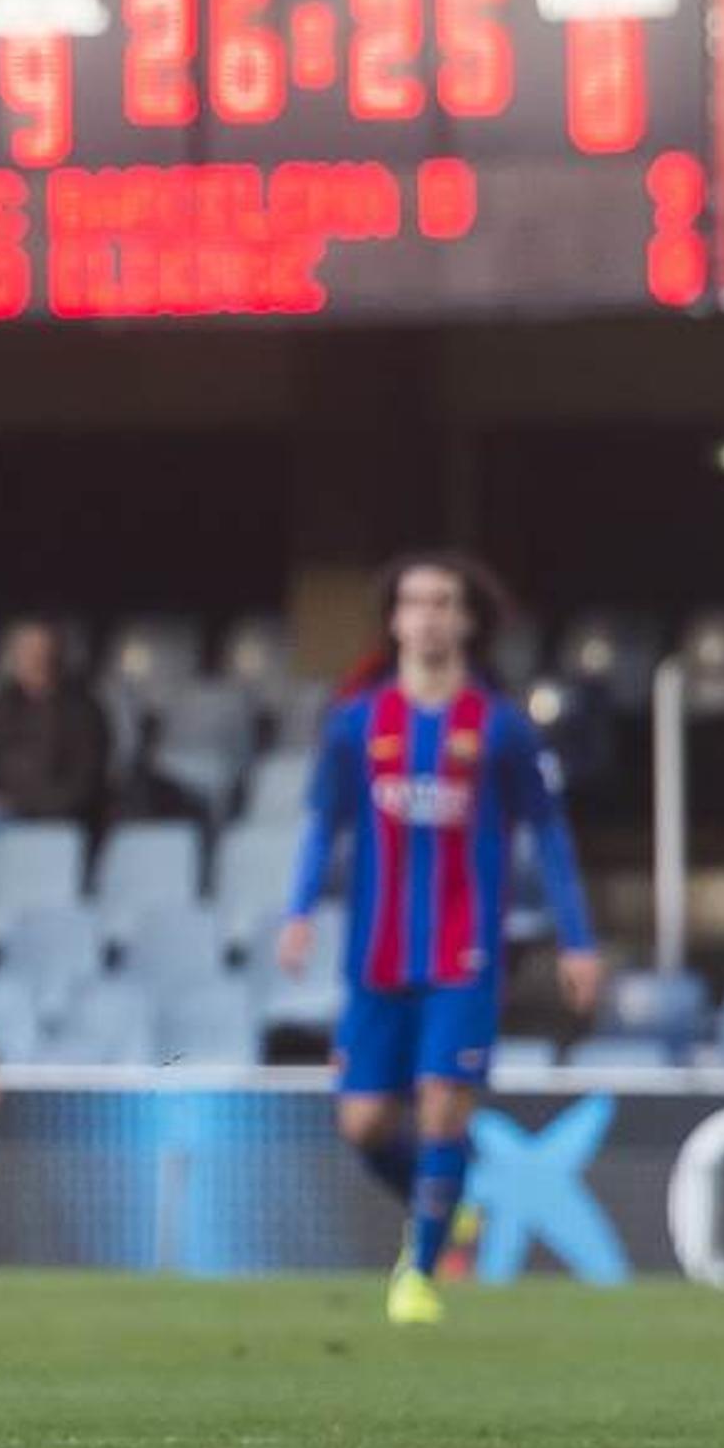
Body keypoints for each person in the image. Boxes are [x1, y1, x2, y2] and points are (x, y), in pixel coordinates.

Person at [278, 551, 600, 1328]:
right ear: (393, 620)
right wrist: (297, 911)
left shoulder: (500, 728)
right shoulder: (358, 724)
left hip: (463, 954)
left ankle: (419, 1274)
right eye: (413, 602)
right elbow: (327, 822)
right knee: (363, 1124)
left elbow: (549, 836)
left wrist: (577, 939)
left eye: (442, 602)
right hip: (377, 955)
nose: (427, 616)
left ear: (465, 620)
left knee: (445, 1107)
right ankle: (445, 1203)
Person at [0, 618, 112, 826]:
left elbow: (84, 783)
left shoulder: (83, 711)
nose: (35, 660)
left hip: (55, 817)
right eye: (26, 653)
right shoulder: (2, 702)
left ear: (57, 655)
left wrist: (28, 807)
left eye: (42, 652)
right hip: (0, 808)